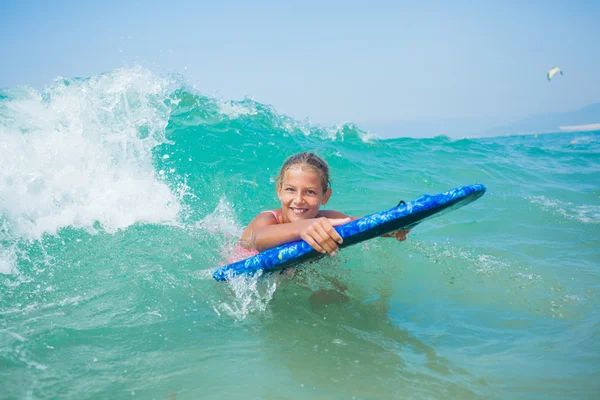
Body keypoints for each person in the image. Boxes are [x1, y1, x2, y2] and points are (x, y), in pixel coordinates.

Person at [230, 152, 408, 262]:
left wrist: (391, 230)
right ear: (279, 191)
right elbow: (260, 240)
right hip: (244, 263)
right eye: (291, 190)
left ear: (325, 196)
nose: (298, 200)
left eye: (309, 192)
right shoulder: (268, 219)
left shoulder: (324, 217)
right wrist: (303, 227)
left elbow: (359, 224)